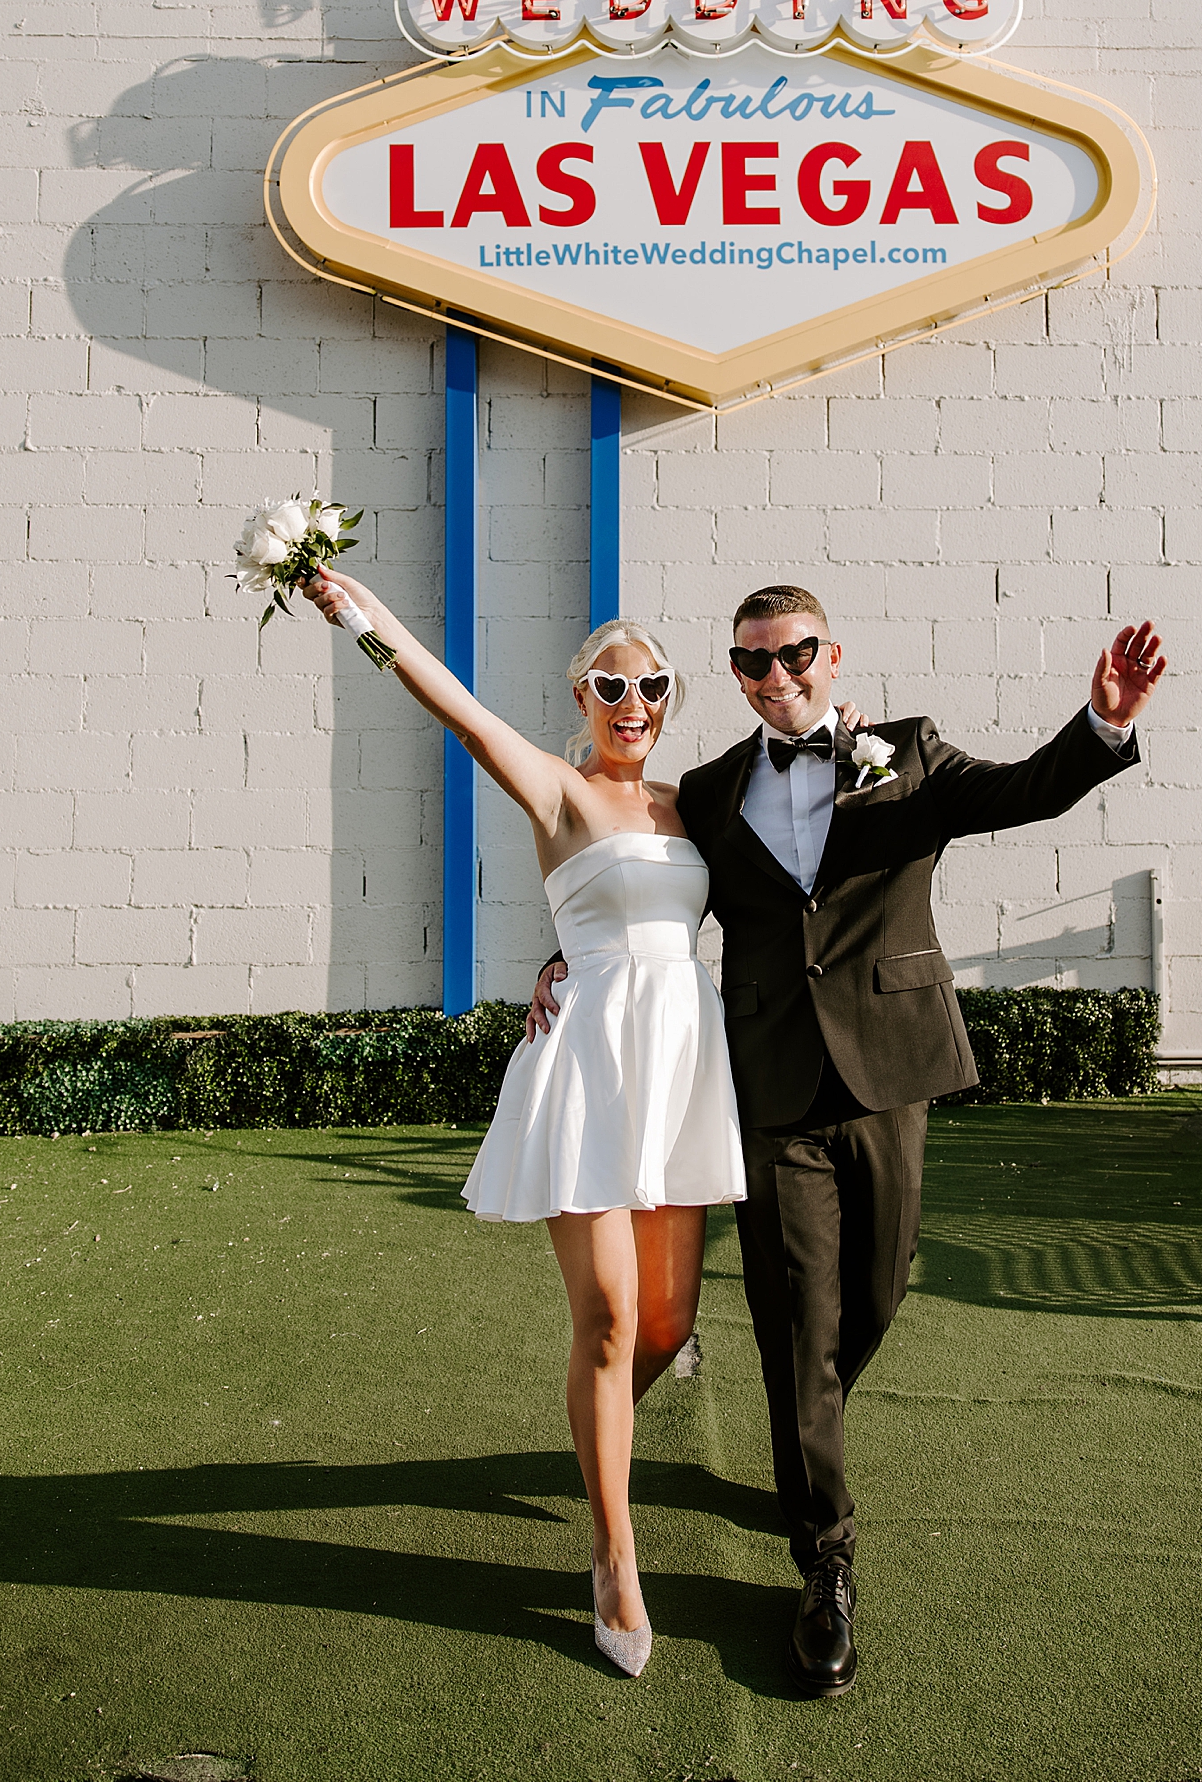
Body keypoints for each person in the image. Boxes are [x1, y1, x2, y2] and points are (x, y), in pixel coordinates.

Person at [530, 586, 1164, 1697]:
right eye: (752, 664)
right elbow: (639, 894)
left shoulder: (907, 755)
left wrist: (1104, 723)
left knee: (871, 1300)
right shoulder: (714, 793)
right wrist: (566, 960)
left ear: (833, 654)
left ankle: (802, 1423)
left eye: (795, 656)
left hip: (889, 1073)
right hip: (770, 1089)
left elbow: (1024, 793)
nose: (777, 679)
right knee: (796, 1326)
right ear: (734, 675)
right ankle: (825, 1567)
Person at [300, 565, 871, 1681]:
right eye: (611, 685)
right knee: (609, 1319)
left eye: (653, 684)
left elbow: (771, 845)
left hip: (682, 1066)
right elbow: (450, 704)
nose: (633, 703)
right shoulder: (557, 792)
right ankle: (615, 1555)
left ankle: (590, 1429)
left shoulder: (692, 802)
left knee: (659, 1331)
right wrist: (362, 617)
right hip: (589, 1063)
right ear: (581, 697)